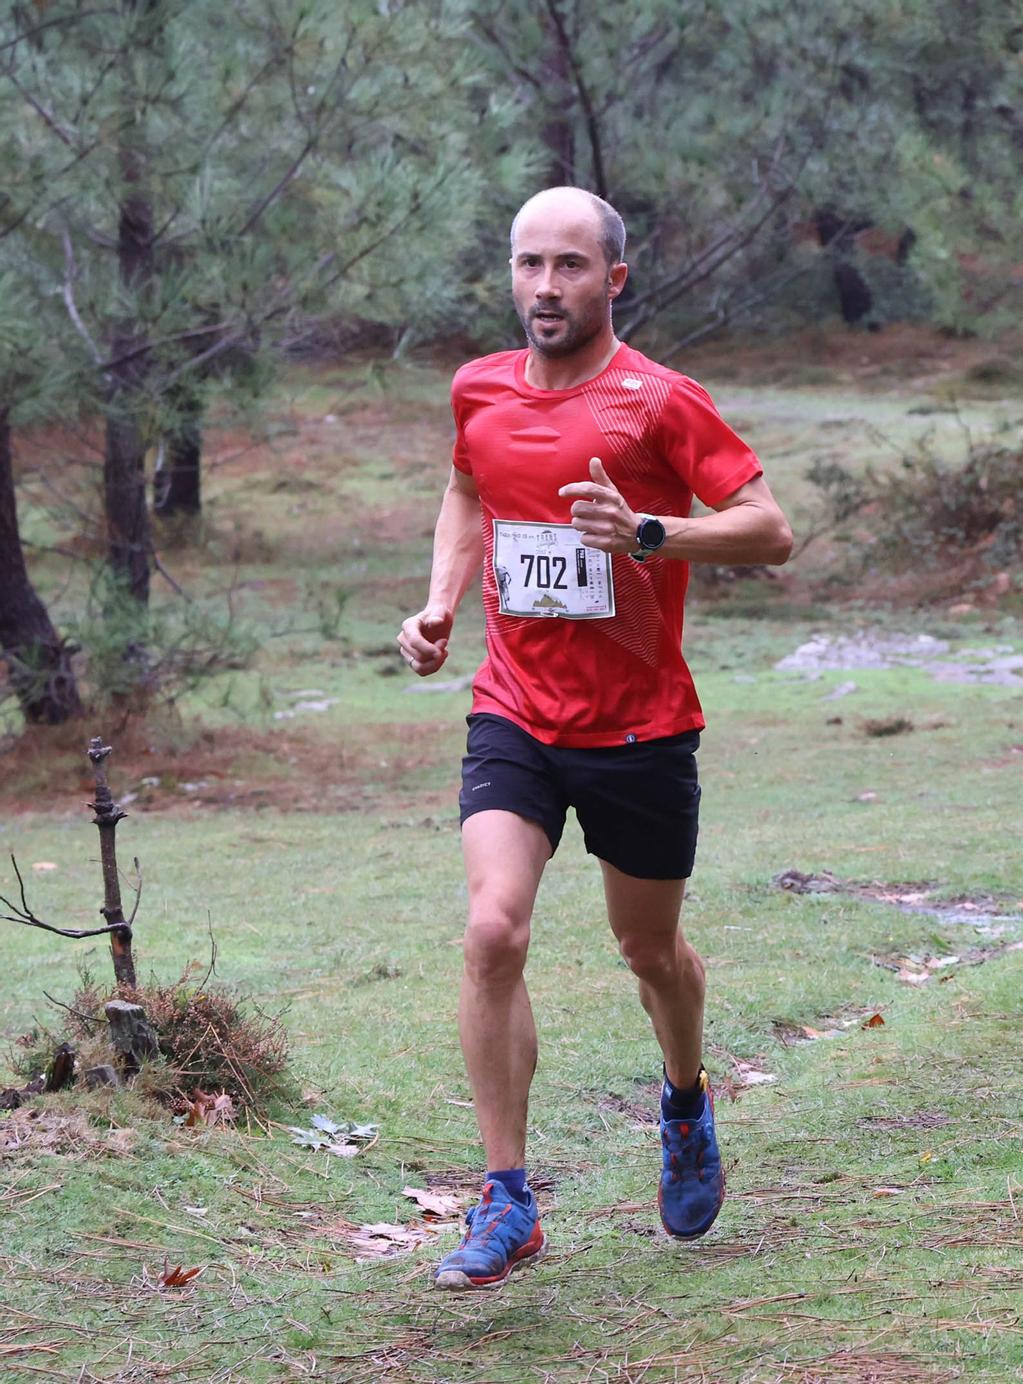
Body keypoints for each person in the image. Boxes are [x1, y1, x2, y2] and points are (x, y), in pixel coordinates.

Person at [397, 186, 792, 1290]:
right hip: (514, 707)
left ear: (613, 278)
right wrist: (438, 603)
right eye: (529, 264)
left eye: (570, 266)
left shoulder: (661, 402)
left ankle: (683, 1098)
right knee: (491, 930)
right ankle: (508, 1199)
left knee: (649, 954)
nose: (545, 287)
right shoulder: (477, 387)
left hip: (638, 729)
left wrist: (653, 533)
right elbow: (467, 492)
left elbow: (771, 530)